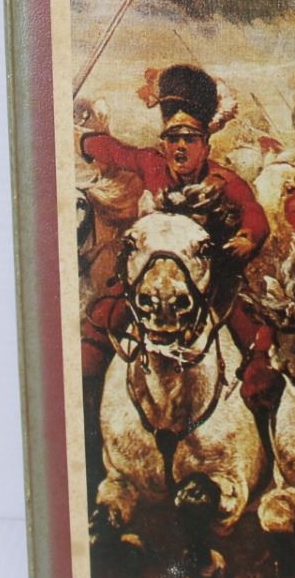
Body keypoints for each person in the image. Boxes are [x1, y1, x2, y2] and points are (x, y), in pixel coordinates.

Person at [77, 64, 283, 416]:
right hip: (149, 276)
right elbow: (115, 151)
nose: (181, 147)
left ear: (205, 144)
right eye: (174, 139)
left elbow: (253, 213)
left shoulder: (224, 179)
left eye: (190, 139)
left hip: (210, 280)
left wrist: (247, 238)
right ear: (164, 143)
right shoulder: (151, 163)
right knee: (98, 327)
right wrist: (81, 139)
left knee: (257, 350)